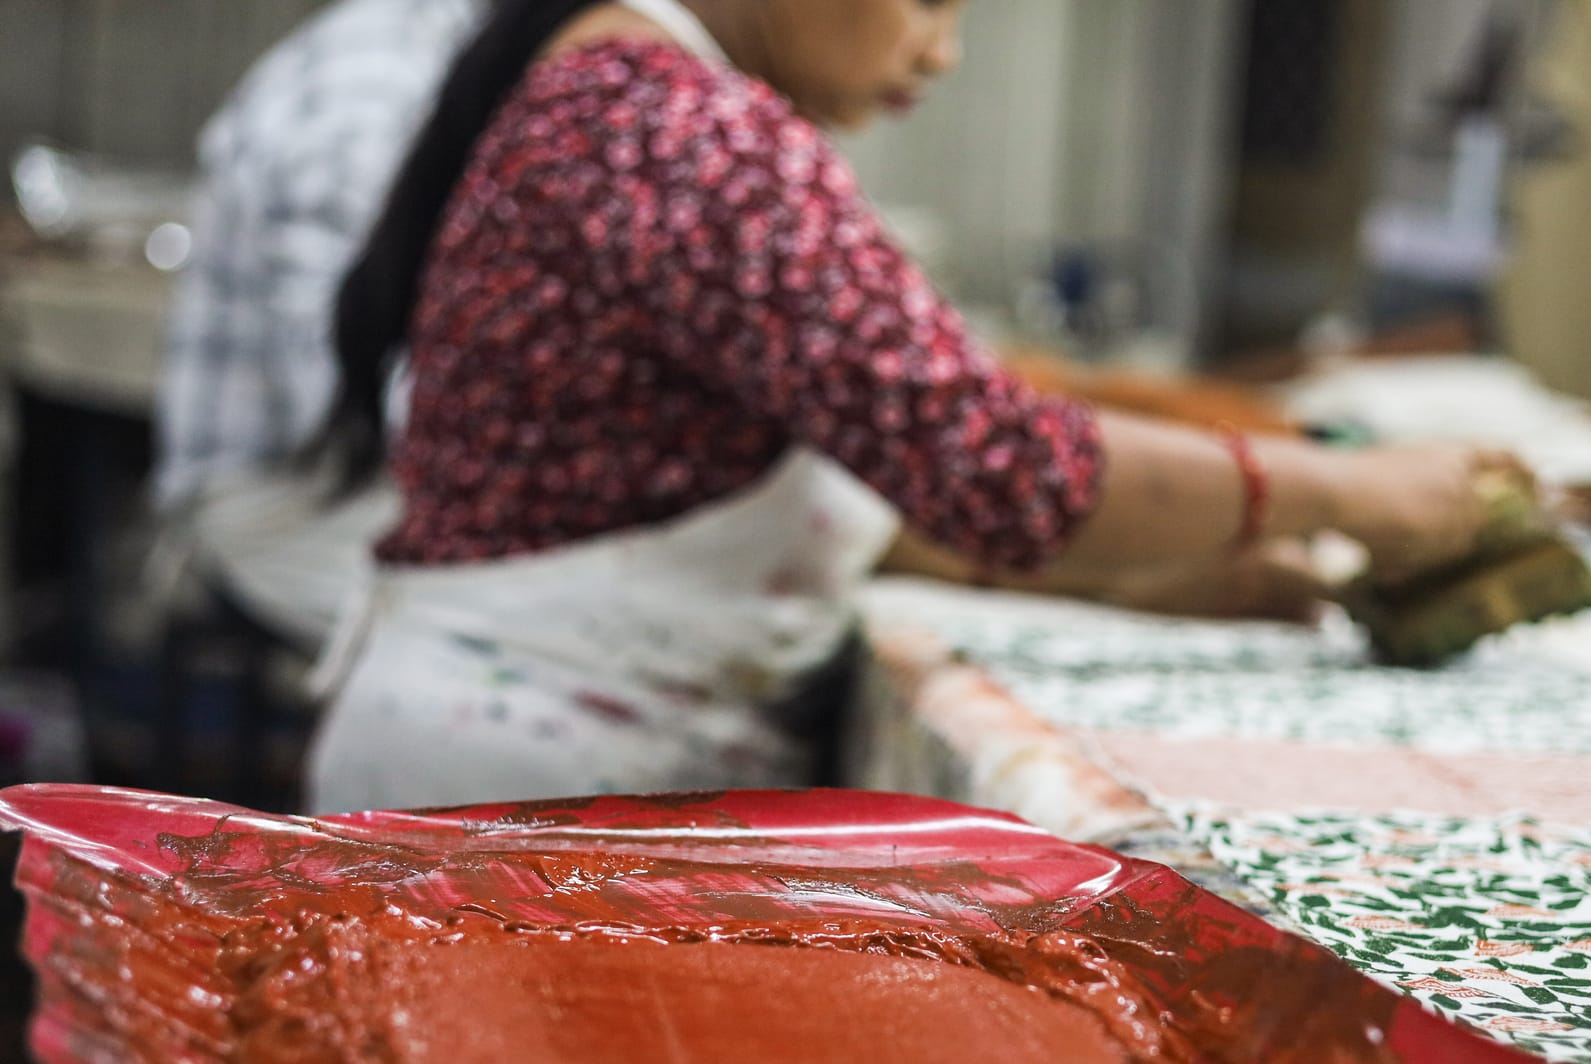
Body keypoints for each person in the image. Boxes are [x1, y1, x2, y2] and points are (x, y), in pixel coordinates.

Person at [308, 0, 1515, 813]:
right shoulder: (686, 132)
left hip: (510, 751)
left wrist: (1154, 573)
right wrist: (1349, 489)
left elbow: (791, 478)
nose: (941, 52)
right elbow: (1000, 467)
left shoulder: (619, 98)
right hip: (522, 786)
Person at [153, 0, 486, 649]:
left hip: (367, 473)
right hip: (284, 495)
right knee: (511, 655)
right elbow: (333, 393)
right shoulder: (366, 93)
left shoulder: (452, 54)